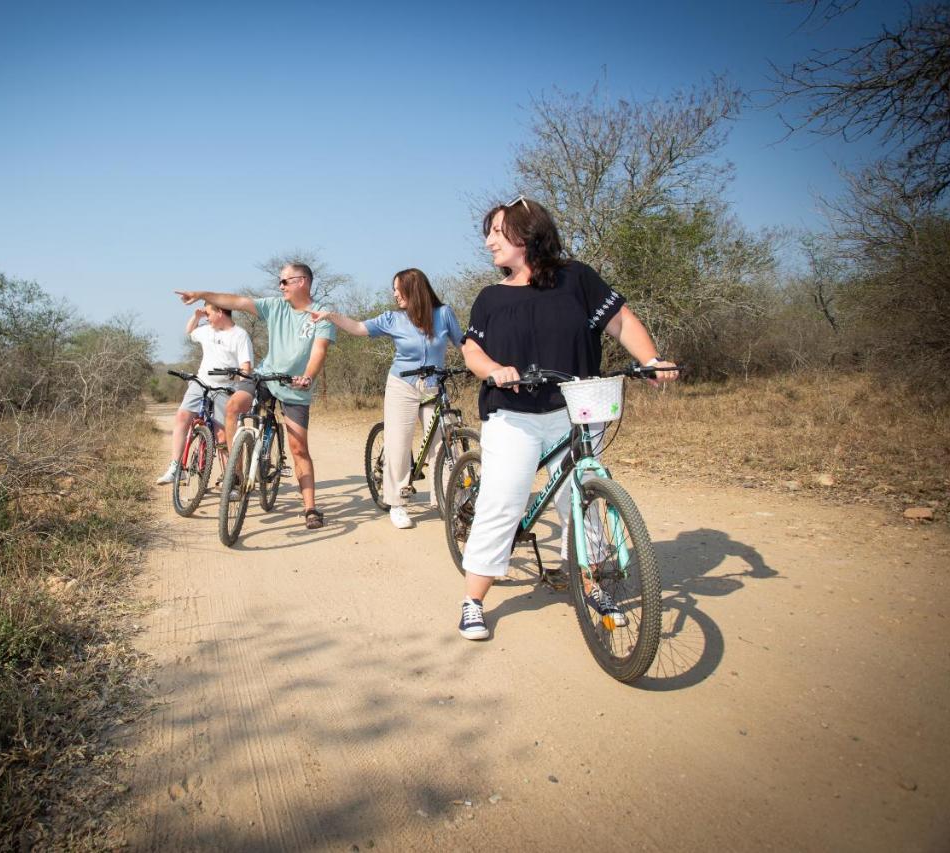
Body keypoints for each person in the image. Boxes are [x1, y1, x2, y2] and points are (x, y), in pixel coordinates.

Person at [456, 196, 677, 641]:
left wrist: (651, 359)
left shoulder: (577, 279)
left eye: (497, 232)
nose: (488, 243)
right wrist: (494, 370)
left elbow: (620, 321)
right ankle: (473, 600)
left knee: (581, 499)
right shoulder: (491, 297)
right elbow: (471, 350)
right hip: (513, 412)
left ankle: (591, 585)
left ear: (526, 231)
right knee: (504, 500)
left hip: (577, 407)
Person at [174, 263, 336, 529]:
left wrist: (307, 376)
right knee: (234, 407)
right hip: (265, 375)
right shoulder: (275, 306)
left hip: (295, 386)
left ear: (302, 282)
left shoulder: (321, 316)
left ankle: (311, 508)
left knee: (299, 448)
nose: (280, 286)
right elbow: (236, 301)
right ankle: (234, 476)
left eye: (285, 281)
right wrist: (202, 293)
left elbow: (319, 352)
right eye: (280, 282)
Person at [310, 268, 463, 529]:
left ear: (413, 289)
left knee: (445, 441)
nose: (394, 294)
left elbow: (464, 344)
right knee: (398, 445)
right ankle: (397, 503)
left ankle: (450, 498)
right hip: (402, 385)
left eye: (397, 288)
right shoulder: (393, 319)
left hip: (433, 386)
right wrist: (332, 316)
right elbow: (359, 328)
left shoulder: (444, 314)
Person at [156, 303, 254, 485]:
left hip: (224, 388)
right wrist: (197, 316)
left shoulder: (240, 335)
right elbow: (189, 331)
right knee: (182, 417)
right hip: (201, 382)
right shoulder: (207, 330)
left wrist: (234, 378)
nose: (206, 317)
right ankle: (176, 467)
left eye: (208, 313)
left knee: (223, 436)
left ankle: (232, 478)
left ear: (220, 311)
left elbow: (246, 368)